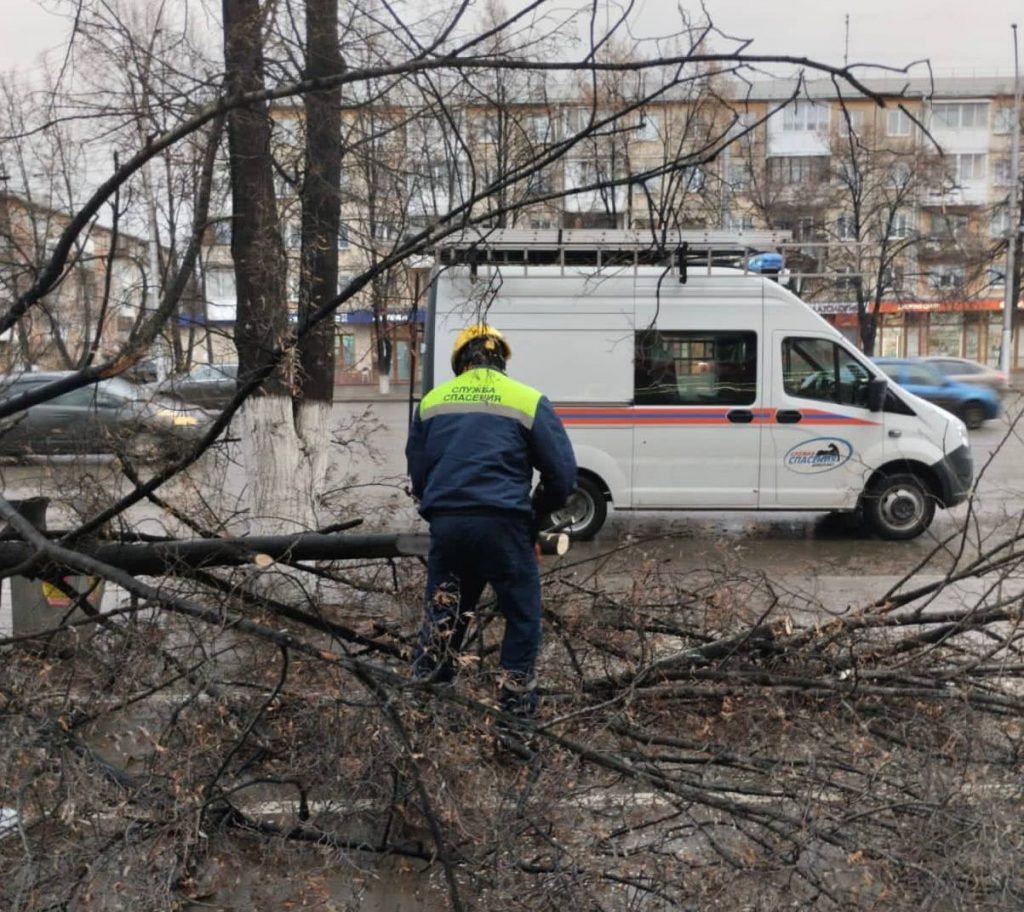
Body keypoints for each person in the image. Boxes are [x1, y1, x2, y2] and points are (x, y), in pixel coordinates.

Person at [405, 323, 577, 717]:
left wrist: (441, 510)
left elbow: (419, 474)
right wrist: (532, 522)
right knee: (521, 619)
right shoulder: (528, 399)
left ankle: (424, 711)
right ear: (502, 359)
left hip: (449, 528)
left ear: (459, 363)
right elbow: (563, 478)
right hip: (505, 528)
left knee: (443, 619)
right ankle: (514, 719)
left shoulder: (432, 401)